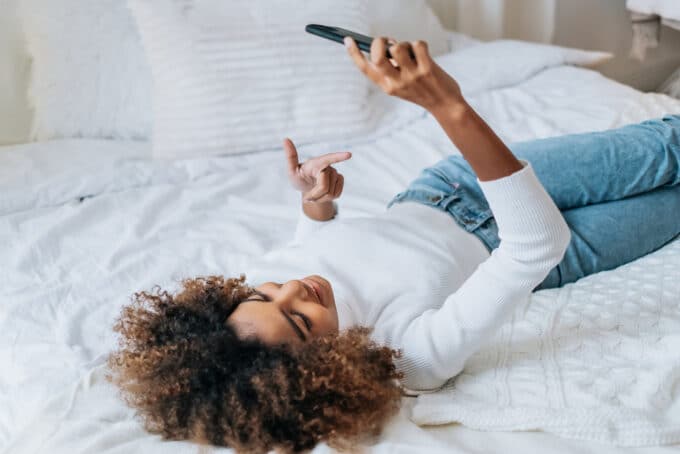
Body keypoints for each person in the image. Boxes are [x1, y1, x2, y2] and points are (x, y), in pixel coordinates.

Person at [107, 36, 680, 454]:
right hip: (551, 250)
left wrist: (316, 201)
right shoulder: (411, 356)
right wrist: (446, 106)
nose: (295, 291)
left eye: (267, 295)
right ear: (319, 368)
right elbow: (536, 246)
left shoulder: (276, 278)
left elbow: (317, 242)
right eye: (301, 322)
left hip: (451, 190)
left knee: (665, 150)